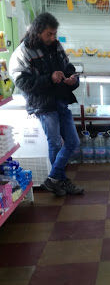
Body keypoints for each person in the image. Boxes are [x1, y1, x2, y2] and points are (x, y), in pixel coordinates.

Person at [9, 12, 83, 197]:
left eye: (54, 33)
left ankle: (53, 179)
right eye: (49, 34)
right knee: (55, 143)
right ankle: (60, 181)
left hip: (61, 99)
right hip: (43, 104)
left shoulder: (56, 46)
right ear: (38, 31)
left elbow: (68, 67)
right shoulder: (23, 52)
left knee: (73, 141)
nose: (53, 38)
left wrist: (72, 79)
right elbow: (22, 83)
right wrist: (49, 79)